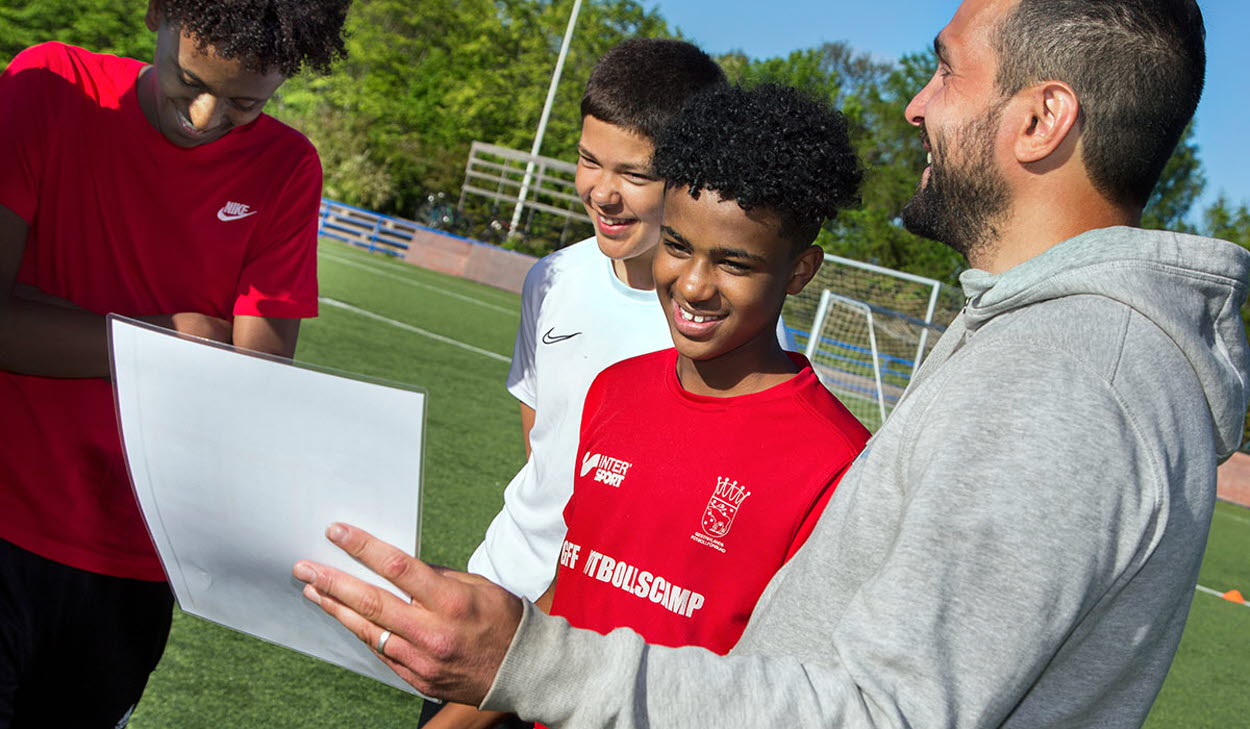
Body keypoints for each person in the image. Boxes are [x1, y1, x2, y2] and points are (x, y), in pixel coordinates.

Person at [295, 0, 1250, 727]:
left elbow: (881, 714)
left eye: (946, 71)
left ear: (1043, 118)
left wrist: (531, 662)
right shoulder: (1048, 343)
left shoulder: (1067, 381)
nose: (915, 105)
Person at [428, 83, 868, 729]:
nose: (693, 285)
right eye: (678, 246)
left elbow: (793, 690)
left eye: (734, 263)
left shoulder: (838, 465)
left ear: (800, 271)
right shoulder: (616, 389)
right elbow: (570, 591)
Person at [0, 1, 349, 725]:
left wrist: (55, 318)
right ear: (159, 13)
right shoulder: (50, 86)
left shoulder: (287, 168)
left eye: (246, 104)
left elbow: (249, 387)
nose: (203, 117)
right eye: (188, 81)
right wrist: (164, 339)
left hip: (136, 564)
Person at [466, 39, 730, 603]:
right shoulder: (551, 277)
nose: (602, 193)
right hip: (501, 581)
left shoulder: (727, 326)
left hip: (598, 619)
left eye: (634, 174)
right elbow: (542, 446)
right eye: (589, 160)